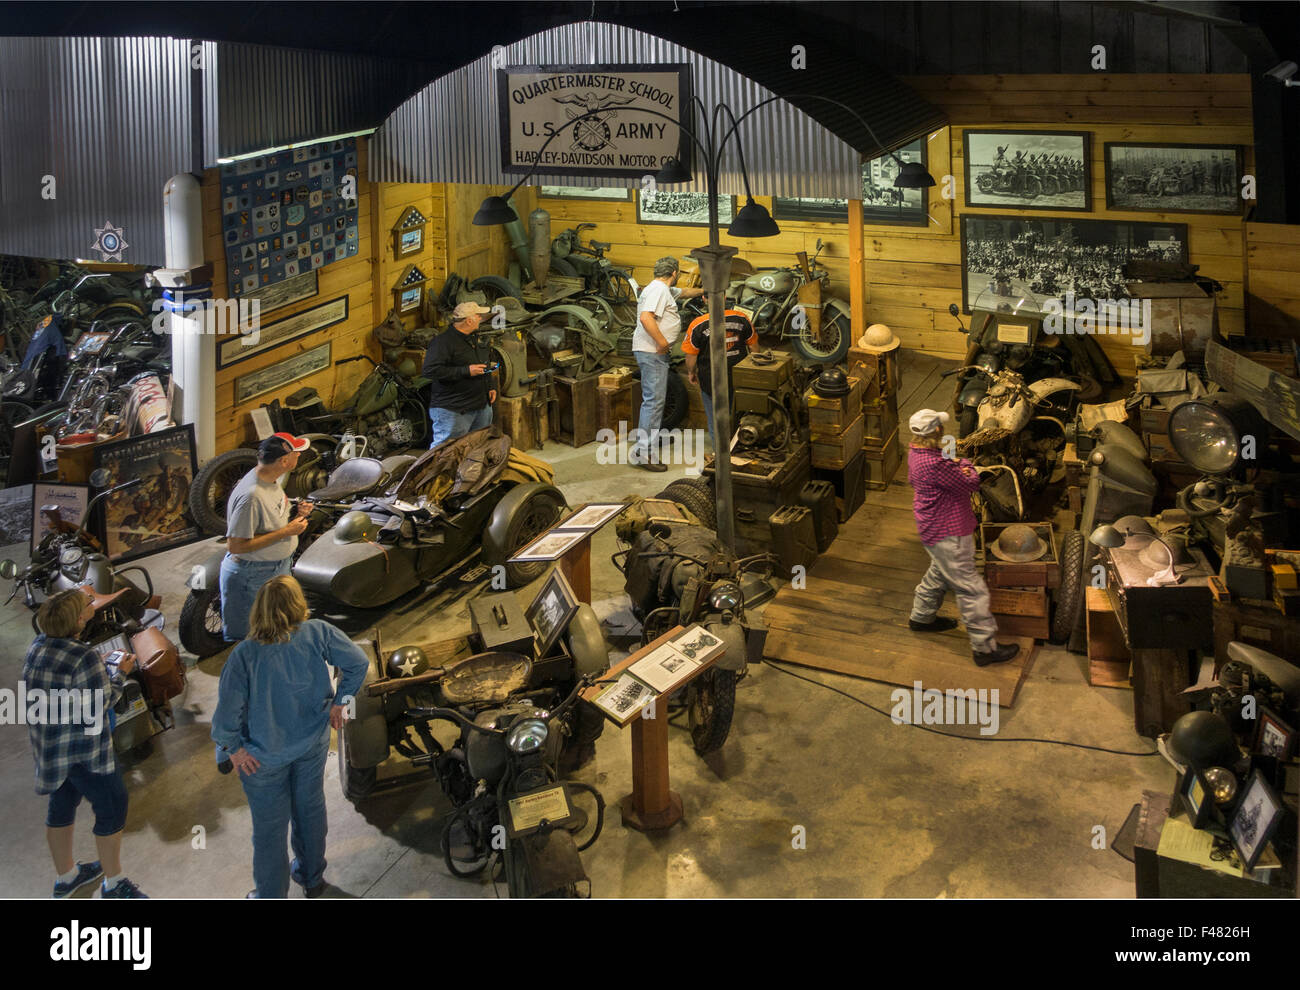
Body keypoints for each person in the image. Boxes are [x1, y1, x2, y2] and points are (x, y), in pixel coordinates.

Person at [211, 576, 369, 899]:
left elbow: (226, 719)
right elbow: (358, 662)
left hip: (262, 759)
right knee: (310, 810)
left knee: (270, 831)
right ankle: (312, 879)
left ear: (258, 611)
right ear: (298, 605)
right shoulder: (317, 633)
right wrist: (342, 701)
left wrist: (234, 750)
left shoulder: (244, 656)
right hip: (312, 743)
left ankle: (271, 895)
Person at [23, 588, 147, 898]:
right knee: (113, 804)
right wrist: (119, 672)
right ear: (78, 619)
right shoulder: (85, 656)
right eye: (86, 605)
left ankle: (67, 877)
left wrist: (99, 667)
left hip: (52, 748)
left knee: (62, 804)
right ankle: (114, 884)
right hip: (83, 751)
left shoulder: (37, 647)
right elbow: (103, 701)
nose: (91, 604)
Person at [905, 409, 1020, 667]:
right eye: (940, 427)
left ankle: (921, 617)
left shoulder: (916, 453)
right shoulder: (935, 463)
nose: (944, 430)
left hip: (933, 529)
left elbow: (948, 469)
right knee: (971, 589)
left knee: (939, 572)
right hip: (950, 530)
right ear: (935, 430)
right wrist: (967, 465)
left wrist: (954, 462)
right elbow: (970, 482)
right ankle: (984, 648)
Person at [220, 431, 312, 642]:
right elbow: (235, 546)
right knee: (255, 637)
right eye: (296, 453)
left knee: (278, 630)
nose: (299, 456)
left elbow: (270, 519)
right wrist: (287, 532)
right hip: (254, 575)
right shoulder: (251, 496)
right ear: (284, 460)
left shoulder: (270, 478)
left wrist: (298, 515)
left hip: (275, 567)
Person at [629, 256, 704, 472]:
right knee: (653, 403)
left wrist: (703, 291)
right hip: (652, 352)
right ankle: (644, 453)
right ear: (674, 273)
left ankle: (647, 443)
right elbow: (646, 318)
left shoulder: (661, 288)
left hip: (652, 352)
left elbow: (683, 293)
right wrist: (662, 343)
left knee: (654, 402)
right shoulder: (659, 291)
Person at [422, 300, 497, 448]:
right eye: (478, 316)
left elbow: (484, 363)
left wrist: (490, 386)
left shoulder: (475, 337)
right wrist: (466, 370)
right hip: (454, 410)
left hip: (480, 405)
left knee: (477, 449)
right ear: (469, 321)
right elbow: (430, 370)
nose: (481, 319)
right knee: (445, 453)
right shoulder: (442, 343)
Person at [680, 307, 759, 448]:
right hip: (738, 378)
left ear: (704, 299)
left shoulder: (698, 324)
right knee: (739, 416)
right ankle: (741, 448)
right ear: (725, 294)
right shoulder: (741, 317)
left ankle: (720, 453)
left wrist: (691, 372)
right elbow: (754, 349)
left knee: (715, 419)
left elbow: (691, 357)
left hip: (711, 379)